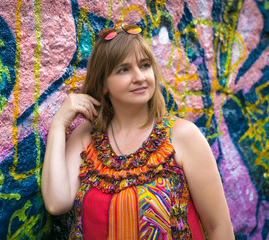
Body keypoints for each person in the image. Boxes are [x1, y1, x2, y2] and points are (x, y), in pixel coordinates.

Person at [41, 24, 234, 239]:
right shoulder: (86, 138)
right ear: (103, 84)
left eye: (144, 65)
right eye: (124, 69)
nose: (139, 77)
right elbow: (56, 202)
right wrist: (59, 124)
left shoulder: (183, 136)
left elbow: (220, 228)